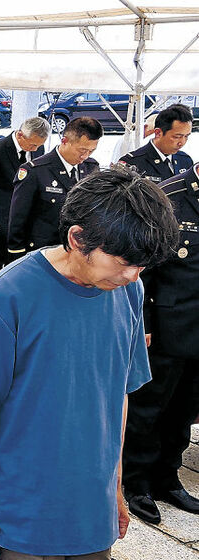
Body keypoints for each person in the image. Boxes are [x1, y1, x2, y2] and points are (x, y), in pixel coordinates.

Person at [0, 167, 178, 560]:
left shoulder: (129, 291)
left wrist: (115, 487)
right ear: (77, 238)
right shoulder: (7, 296)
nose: (133, 274)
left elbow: (117, 394)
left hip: (91, 507)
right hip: (18, 514)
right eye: (123, 261)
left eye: (142, 266)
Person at [122, 163, 199, 524]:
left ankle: (168, 477)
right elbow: (142, 269)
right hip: (167, 325)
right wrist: (145, 323)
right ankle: (136, 482)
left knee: (185, 408)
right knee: (149, 407)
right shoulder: (169, 197)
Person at [8, 116, 102, 258]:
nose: (85, 156)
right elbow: (18, 218)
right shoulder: (35, 171)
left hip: (76, 252)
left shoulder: (91, 168)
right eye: (82, 150)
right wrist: (16, 254)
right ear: (64, 141)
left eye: (91, 151)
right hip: (42, 253)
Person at [0, 116, 50, 271]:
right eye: (33, 145)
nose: (35, 149)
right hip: (2, 217)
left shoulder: (38, 147)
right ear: (20, 135)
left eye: (39, 145)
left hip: (27, 216)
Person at [119, 103, 193, 183]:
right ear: (158, 133)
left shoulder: (185, 160)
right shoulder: (133, 163)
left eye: (186, 136)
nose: (182, 142)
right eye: (177, 137)